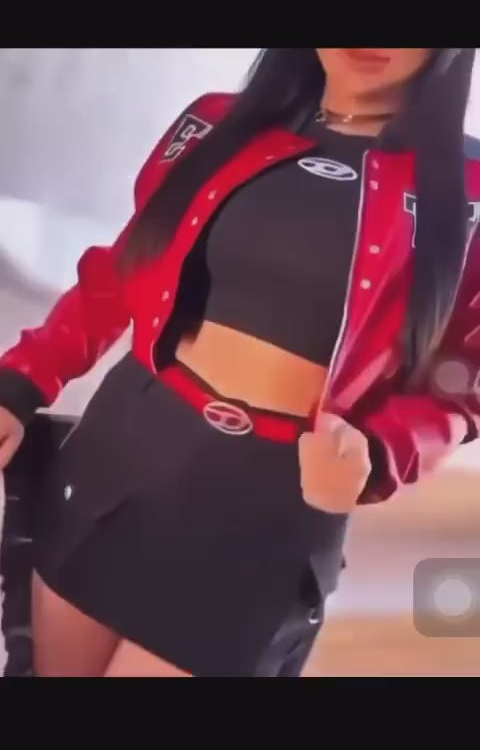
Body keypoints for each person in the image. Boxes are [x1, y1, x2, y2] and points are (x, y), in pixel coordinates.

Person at [0, 48, 479, 677]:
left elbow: (466, 383)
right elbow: (120, 274)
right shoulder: (212, 125)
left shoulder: (469, 190)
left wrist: (380, 451)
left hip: (268, 509)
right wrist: (20, 382)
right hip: (115, 459)